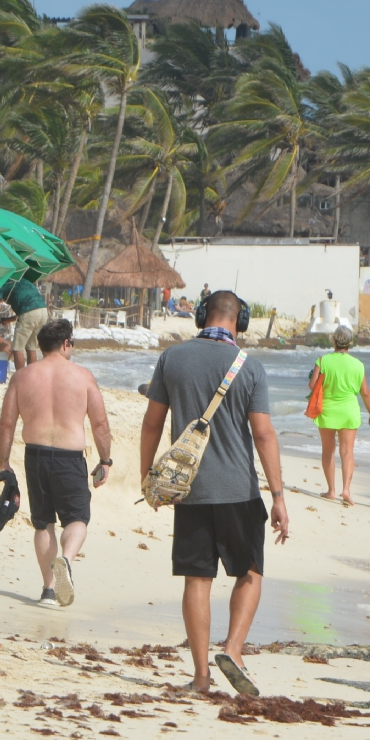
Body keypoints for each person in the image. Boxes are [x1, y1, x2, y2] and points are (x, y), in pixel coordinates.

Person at [141, 290, 290, 696]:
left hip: (188, 491)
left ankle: (202, 677)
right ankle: (234, 650)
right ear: (239, 323)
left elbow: (152, 424)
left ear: (203, 315)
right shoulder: (250, 367)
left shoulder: (172, 358)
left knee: (197, 580)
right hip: (238, 490)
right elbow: (263, 433)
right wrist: (277, 495)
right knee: (249, 572)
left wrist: (148, 476)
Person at [0, 318, 112, 608]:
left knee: (43, 523)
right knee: (76, 519)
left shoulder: (22, 377)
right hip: (69, 459)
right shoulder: (83, 377)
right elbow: (99, 424)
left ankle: (49, 590)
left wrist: (4, 462)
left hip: (34, 457)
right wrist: (104, 459)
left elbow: (7, 424)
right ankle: (67, 559)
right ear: (65, 344)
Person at [308, 325, 370, 506]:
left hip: (327, 410)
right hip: (349, 411)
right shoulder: (358, 364)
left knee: (328, 450)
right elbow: (365, 393)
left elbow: (312, 386)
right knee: (347, 452)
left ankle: (331, 490)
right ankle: (346, 489)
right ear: (350, 343)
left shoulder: (323, 361)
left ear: (334, 341)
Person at [1, 276, 48, 372]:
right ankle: (31, 377)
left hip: (29, 312)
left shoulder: (3, 283)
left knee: (17, 348)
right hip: (43, 311)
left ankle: (21, 377)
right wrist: (9, 319)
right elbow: (28, 308)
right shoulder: (23, 280)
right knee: (31, 347)